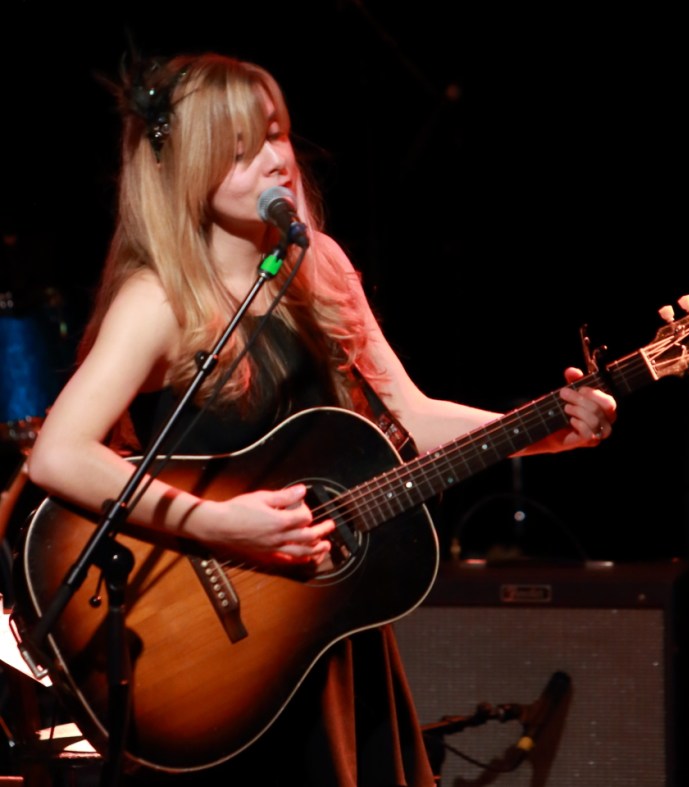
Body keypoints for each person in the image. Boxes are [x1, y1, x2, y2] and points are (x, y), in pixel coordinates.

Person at [21, 51, 617, 786]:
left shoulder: (320, 266)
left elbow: (414, 416)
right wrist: (221, 525)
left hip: (323, 630)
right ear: (190, 171)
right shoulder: (159, 301)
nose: (276, 159)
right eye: (242, 150)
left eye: (277, 134)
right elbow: (58, 454)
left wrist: (547, 431)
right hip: (215, 652)